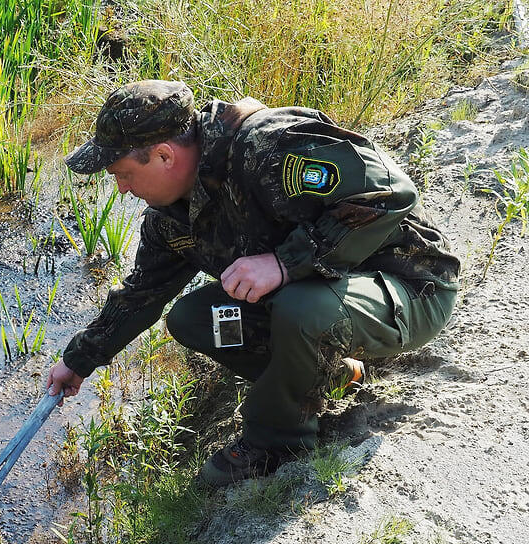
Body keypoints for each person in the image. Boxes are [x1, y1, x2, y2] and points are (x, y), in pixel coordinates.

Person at [45, 80, 459, 486]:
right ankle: (328, 376)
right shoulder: (169, 217)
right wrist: (78, 361)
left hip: (408, 286)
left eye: (123, 174)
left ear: (164, 155)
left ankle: (278, 443)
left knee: (301, 308)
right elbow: (140, 296)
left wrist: (284, 262)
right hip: (325, 293)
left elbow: (391, 191)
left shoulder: (269, 147)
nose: (122, 189)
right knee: (194, 318)